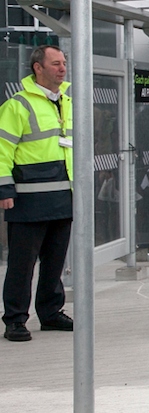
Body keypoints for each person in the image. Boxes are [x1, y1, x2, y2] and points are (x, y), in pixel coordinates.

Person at [0, 45, 74, 342]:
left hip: (62, 198)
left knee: (55, 262)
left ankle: (50, 313)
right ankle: (15, 319)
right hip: (28, 199)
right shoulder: (17, 105)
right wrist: (4, 188)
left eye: (64, 63)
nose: (62, 68)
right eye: (55, 63)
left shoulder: (67, 101)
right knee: (22, 264)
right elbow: (2, 149)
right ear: (38, 68)